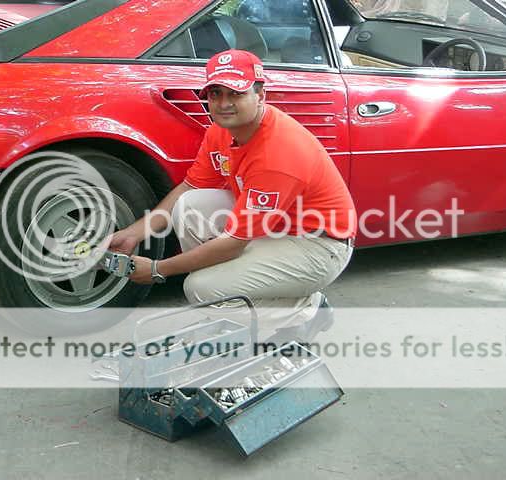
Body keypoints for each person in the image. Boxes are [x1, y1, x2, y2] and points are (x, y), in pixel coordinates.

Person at [108, 49, 357, 343]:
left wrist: (157, 270)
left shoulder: (277, 154)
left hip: (319, 245)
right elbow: (189, 187)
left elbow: (233, 245)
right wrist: (133, 234)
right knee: (189, 206)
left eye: (236, 93)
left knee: (200, 288)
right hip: (276, 227)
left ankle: (308, 309)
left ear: (260, 95)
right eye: (215, 93)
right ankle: (227, 306)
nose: (224, 104)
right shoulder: (221, 131)